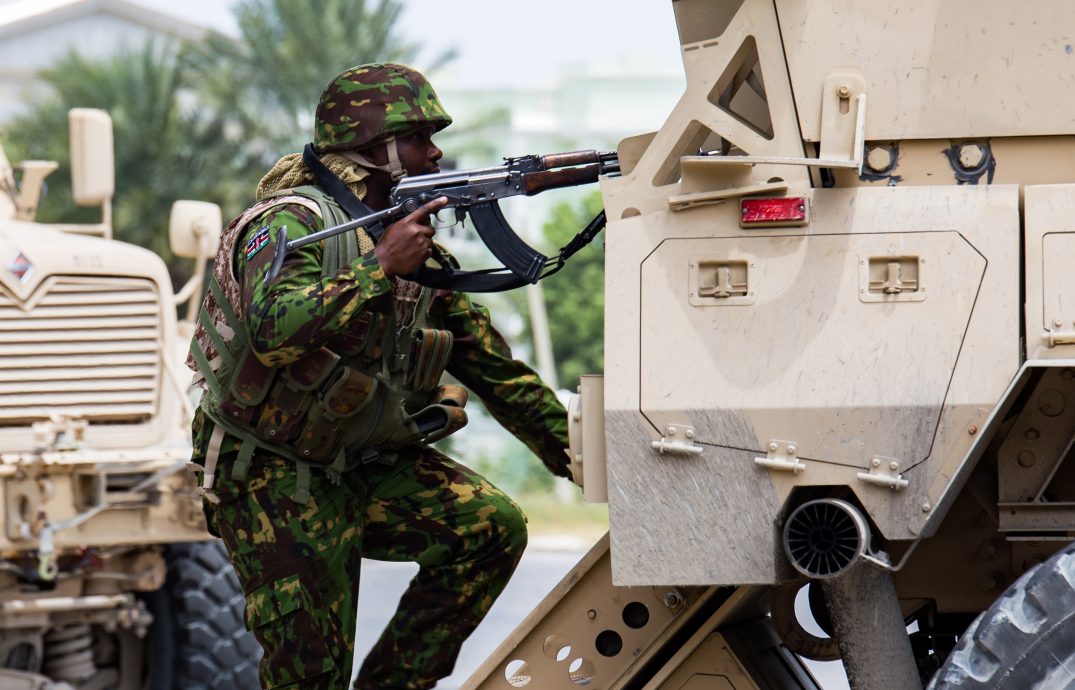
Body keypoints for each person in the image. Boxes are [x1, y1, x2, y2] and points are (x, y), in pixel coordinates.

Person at [185, 63, 571, 689]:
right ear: (374, 147)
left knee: (489, 528)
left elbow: (498, 375)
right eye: (419, 138)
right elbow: (273, 333)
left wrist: (584, 460)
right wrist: (379, 270)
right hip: (273, 477)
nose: (435, 151)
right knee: (310, 676)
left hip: (360, 463)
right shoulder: (291, 224)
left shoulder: (414, 254)